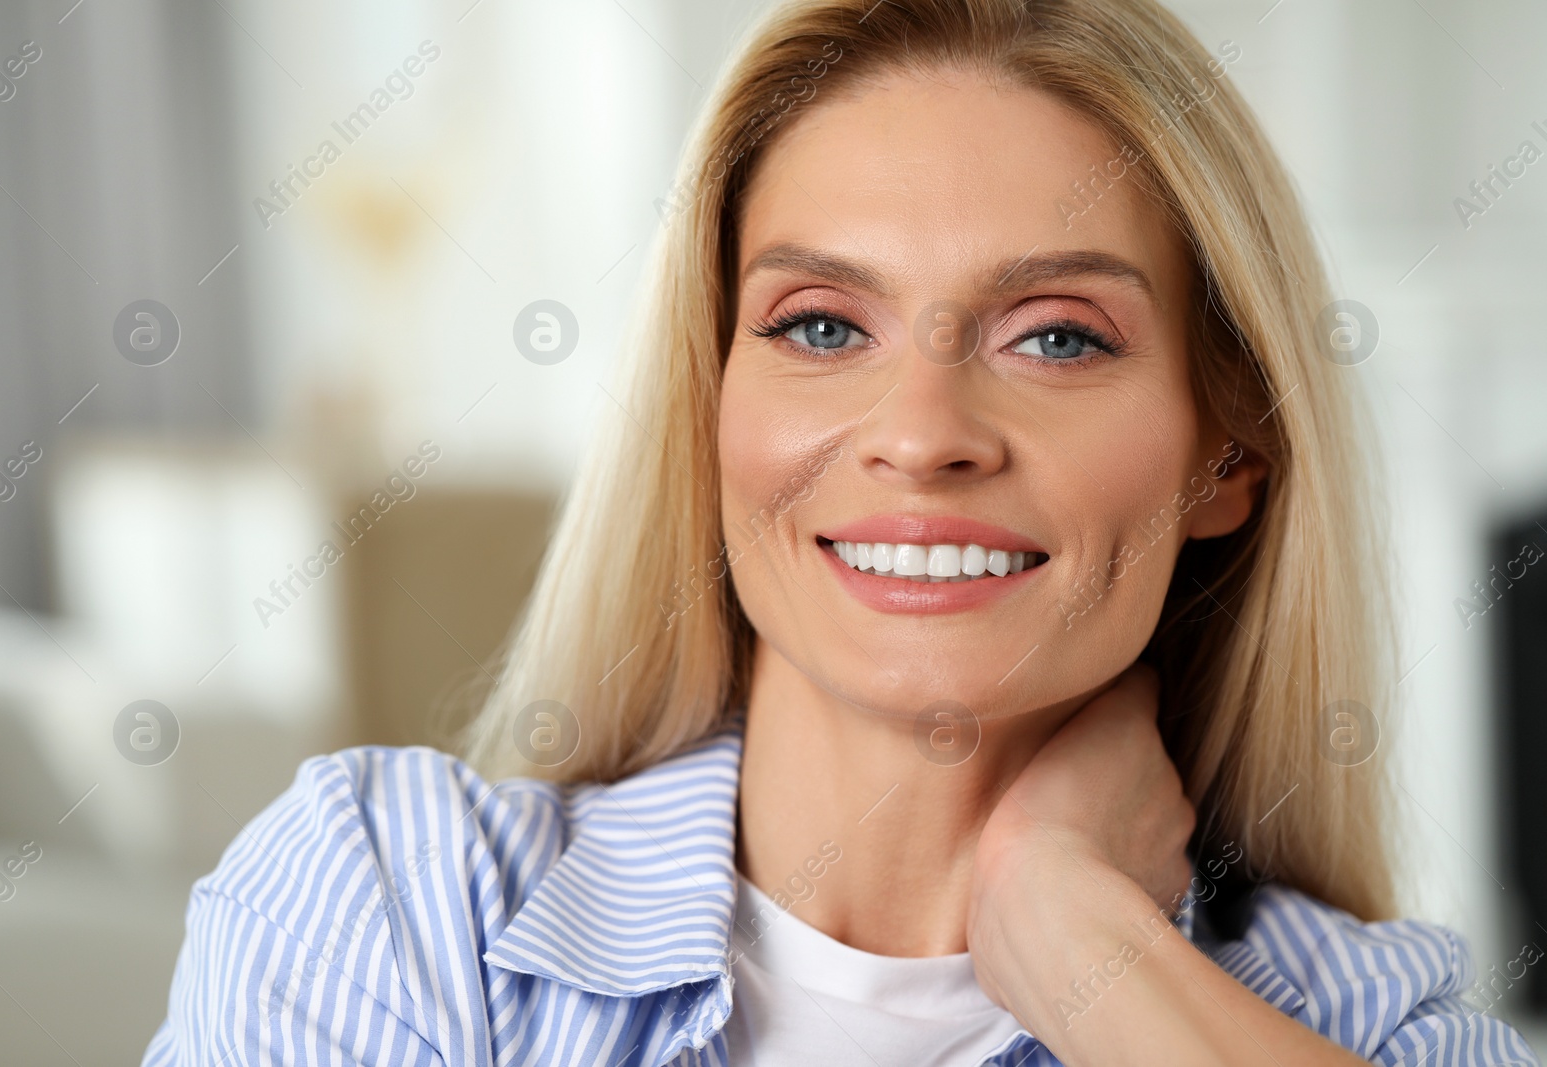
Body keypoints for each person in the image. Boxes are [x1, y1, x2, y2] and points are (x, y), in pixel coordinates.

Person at [143, 0, 1542, 1063]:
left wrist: (1088, 948)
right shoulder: (390, 895)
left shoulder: (1371, 1022)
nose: (923, 431)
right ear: (709, 404)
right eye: (821, 325)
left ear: (1227, 454)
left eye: (1056, 335)